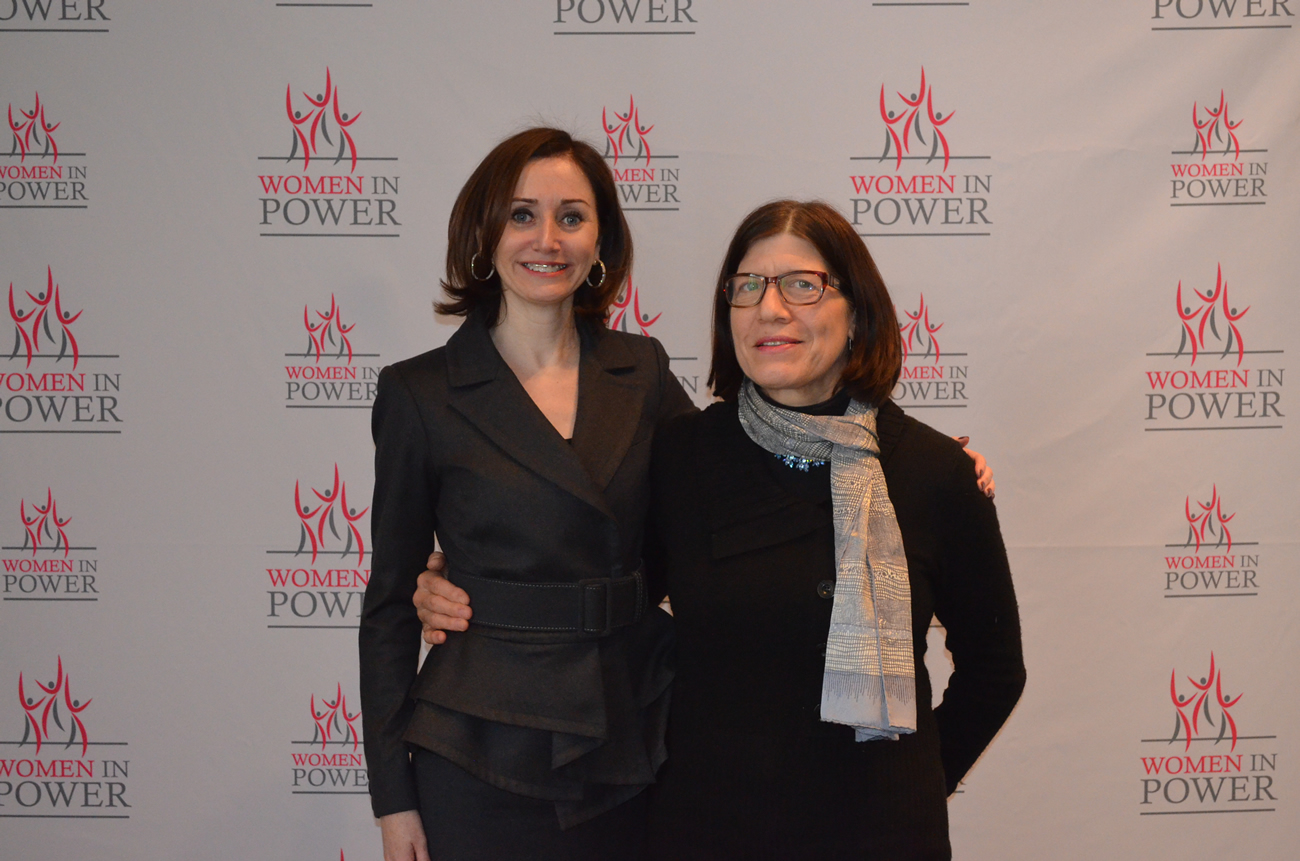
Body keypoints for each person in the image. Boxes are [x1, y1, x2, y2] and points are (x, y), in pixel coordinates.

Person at [414, 200, 1023, 860]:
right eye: (748, 286)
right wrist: (460, 587)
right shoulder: (682, 454)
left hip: (880, 836)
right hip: (707, 830)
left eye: (802, 285)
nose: (770, 309)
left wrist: (914, 787)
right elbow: (600, 593)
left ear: (857, 314)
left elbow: (994, 671)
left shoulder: (934, 472)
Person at [359, 127, 695, 861]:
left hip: (632, 726)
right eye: (521, 215)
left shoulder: (642, 371)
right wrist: (393, 798)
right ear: (485, 233)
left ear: (601, 240)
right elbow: (388, 608)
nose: (548, 239)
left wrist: (884, 451)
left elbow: (718, 499)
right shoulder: (420, 393)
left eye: (572, 216)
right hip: (479, 747)